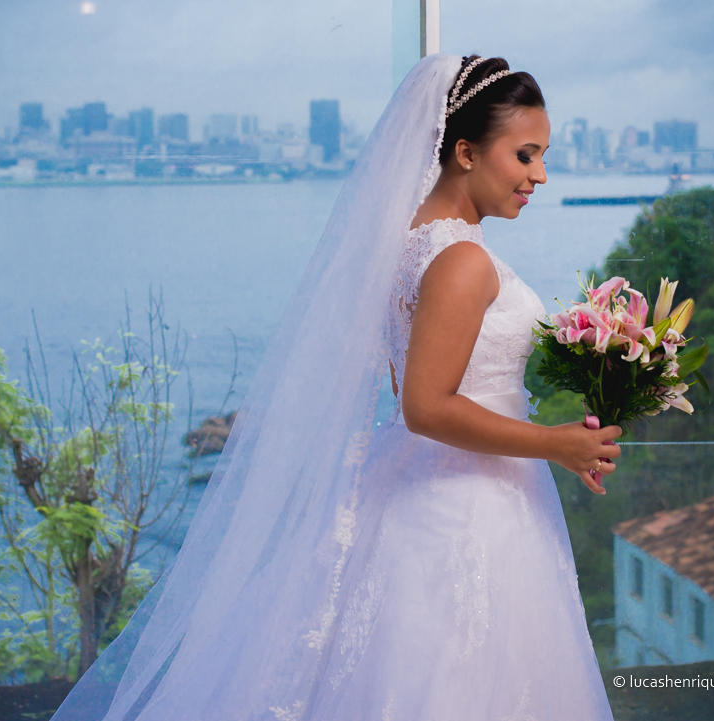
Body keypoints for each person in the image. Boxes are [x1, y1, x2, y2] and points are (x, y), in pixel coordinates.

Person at [53, 53, 620, 721]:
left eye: (543, 157)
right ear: (465, 152)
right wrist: (554, 442)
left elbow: (404, 378)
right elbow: (424, 406)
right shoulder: (462, 258)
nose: (540, 175)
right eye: (525, 155)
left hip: (422, 487)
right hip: (468, 505)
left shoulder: (410, 243)